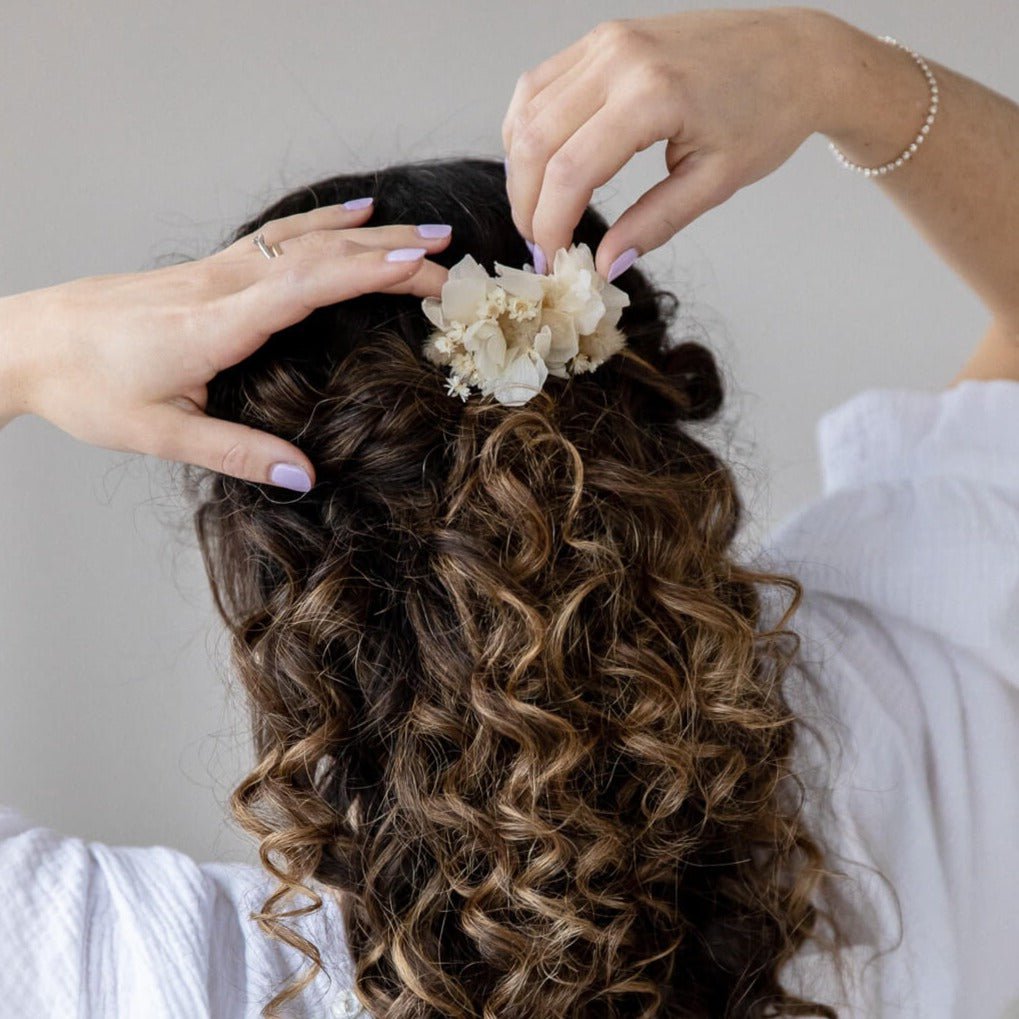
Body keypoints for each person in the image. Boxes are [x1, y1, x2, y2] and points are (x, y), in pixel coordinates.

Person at [0, 6, 1017, 1018]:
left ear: (271, 573)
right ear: (647, 454)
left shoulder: (153, 971)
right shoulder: (919, 686)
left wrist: (29, 346)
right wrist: (835, 71)